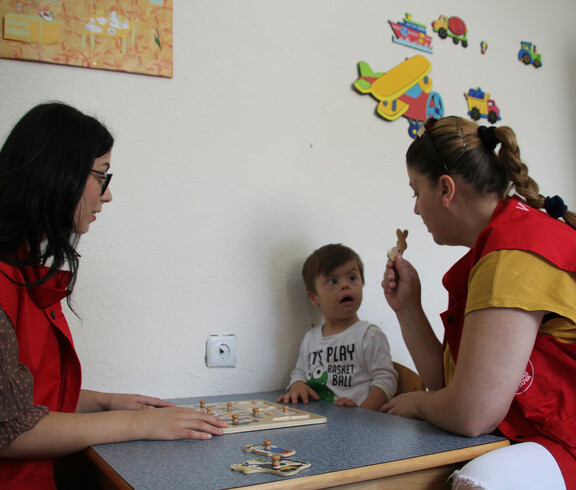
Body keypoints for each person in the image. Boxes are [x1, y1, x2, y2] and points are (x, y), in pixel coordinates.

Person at [0, 102, 227, 489]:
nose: (106, 196)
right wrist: (139, 424)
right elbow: (11, 430)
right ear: (60, 174)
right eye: (101, 176)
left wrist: (104, 401)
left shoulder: (21, 267)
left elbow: (23, 394)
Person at [381, 116, 576, 489]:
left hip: (568, 441)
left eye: (415, 192)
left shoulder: (513, 253)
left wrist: (419, 403)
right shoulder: (502, 243)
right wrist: (407, 308)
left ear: (445, 189)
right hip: (552, 435)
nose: (416, 210)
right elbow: (453, 385)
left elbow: (472, 413)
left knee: (479, 479)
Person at [277, 244, 397, 411]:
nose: (345, 285)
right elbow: (299, 372)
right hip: (320, 423)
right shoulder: (310, 339)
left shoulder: (369, 335)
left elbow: (386, 381)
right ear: (313, 297)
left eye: (352, 278)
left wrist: (363, 413)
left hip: (359, 426)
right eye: (333, 281)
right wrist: (297, 385)